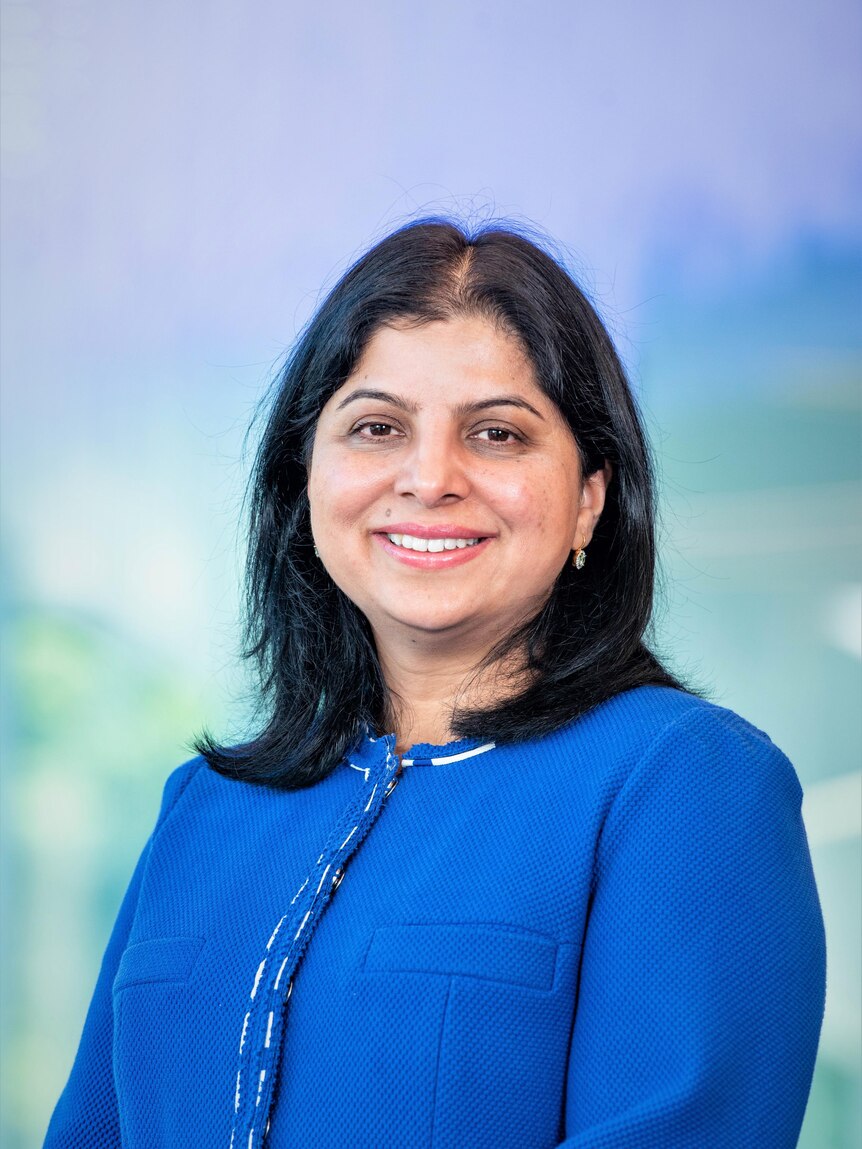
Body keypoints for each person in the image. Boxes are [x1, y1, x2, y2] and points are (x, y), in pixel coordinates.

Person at [45, 220, 826, 1148]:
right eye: (377, 427)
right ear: (305, 479)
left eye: (497, 434)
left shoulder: (681, 786)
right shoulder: (203, 812)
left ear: (590, 496)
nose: (428, 478)